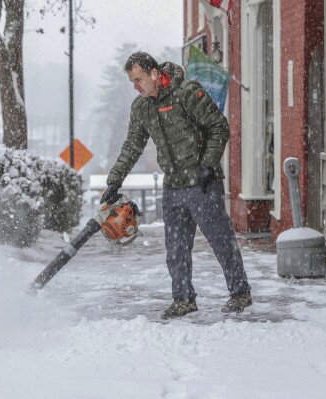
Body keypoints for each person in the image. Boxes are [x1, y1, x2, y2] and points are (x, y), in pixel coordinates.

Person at [101, 51, 252, 320]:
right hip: (173, 185)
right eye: (132, 82)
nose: (136, 87)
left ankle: (240, 292)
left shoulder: (186, 93)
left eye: (138, 80)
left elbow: (219, 126)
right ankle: (183, 300)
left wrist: (208, 164)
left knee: (220, 241)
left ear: (155, 74)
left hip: (202, 183)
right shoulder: (142, 108)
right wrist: (114, 180)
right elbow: (132, 146)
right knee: (176, 248)